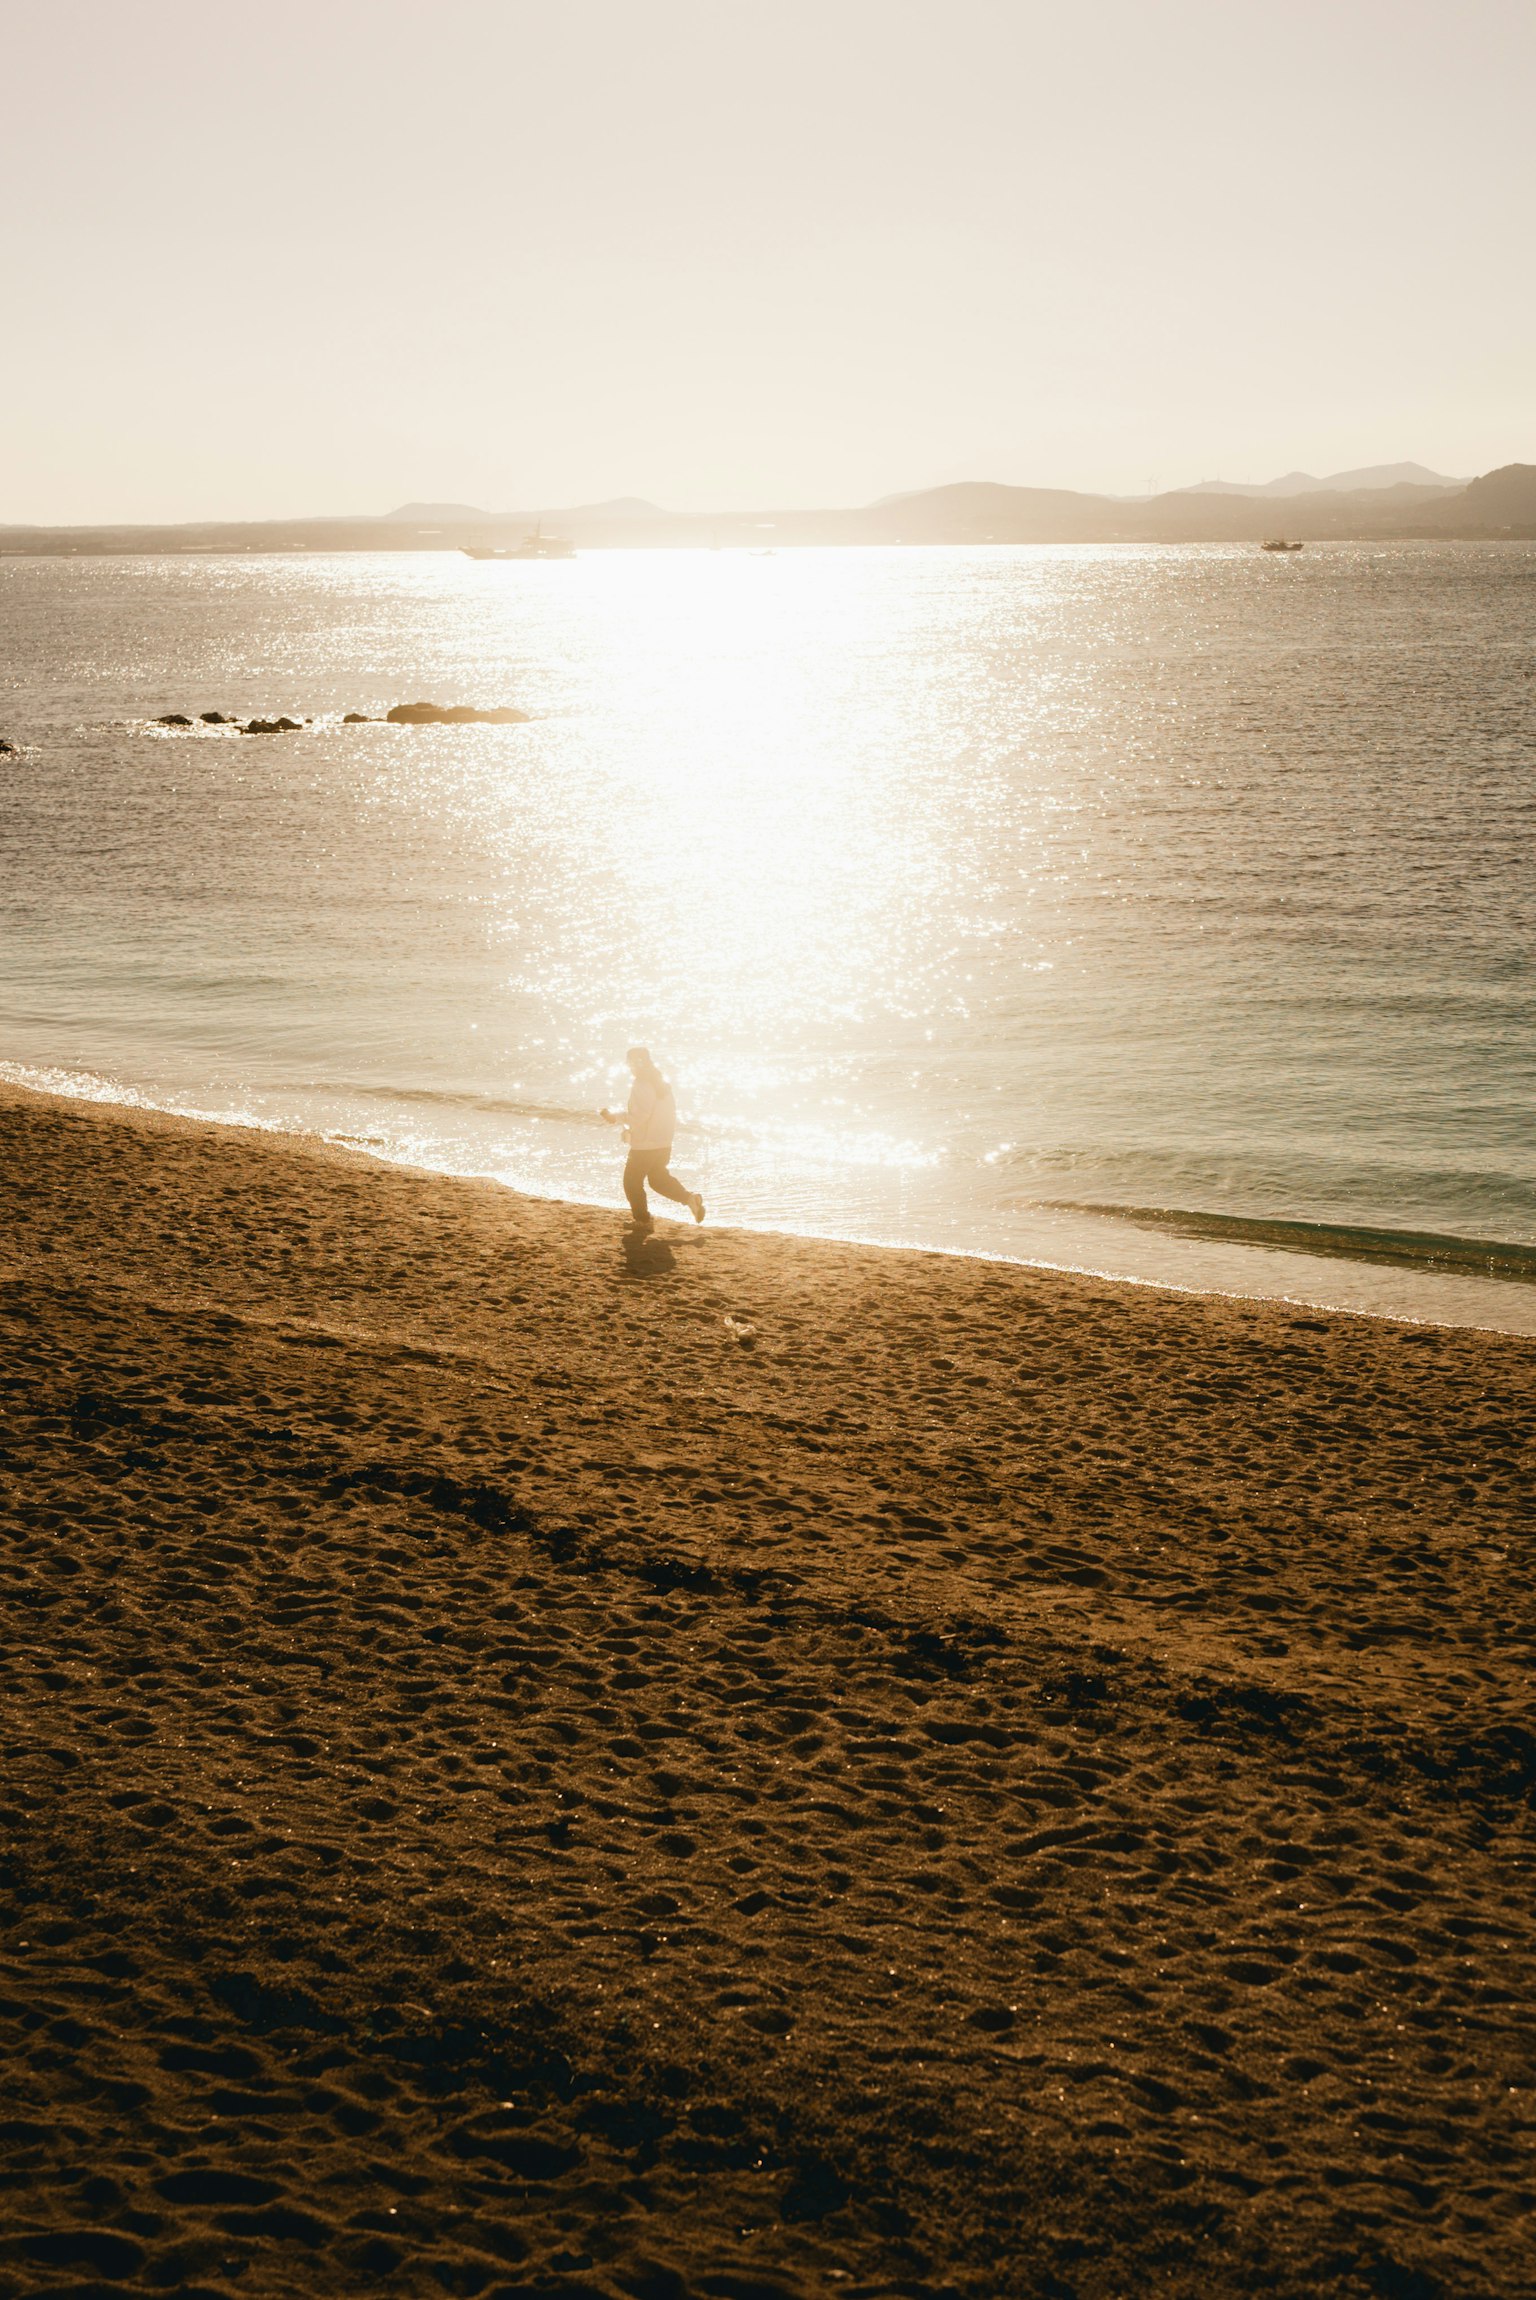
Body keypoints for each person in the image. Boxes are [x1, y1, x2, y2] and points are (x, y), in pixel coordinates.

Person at [600, 1047, 705, 1234]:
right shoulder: (660, 1081)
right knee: (658, 1179)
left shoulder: (642, 1083)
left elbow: (640, 1116)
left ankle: (643, 1221)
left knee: (631, 1182)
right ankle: (690, 1199)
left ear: (635, 1063)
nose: (630, 1066)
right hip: (663, 1141)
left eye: (631, 1062)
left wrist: (615, 1117)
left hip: (646, 1144)